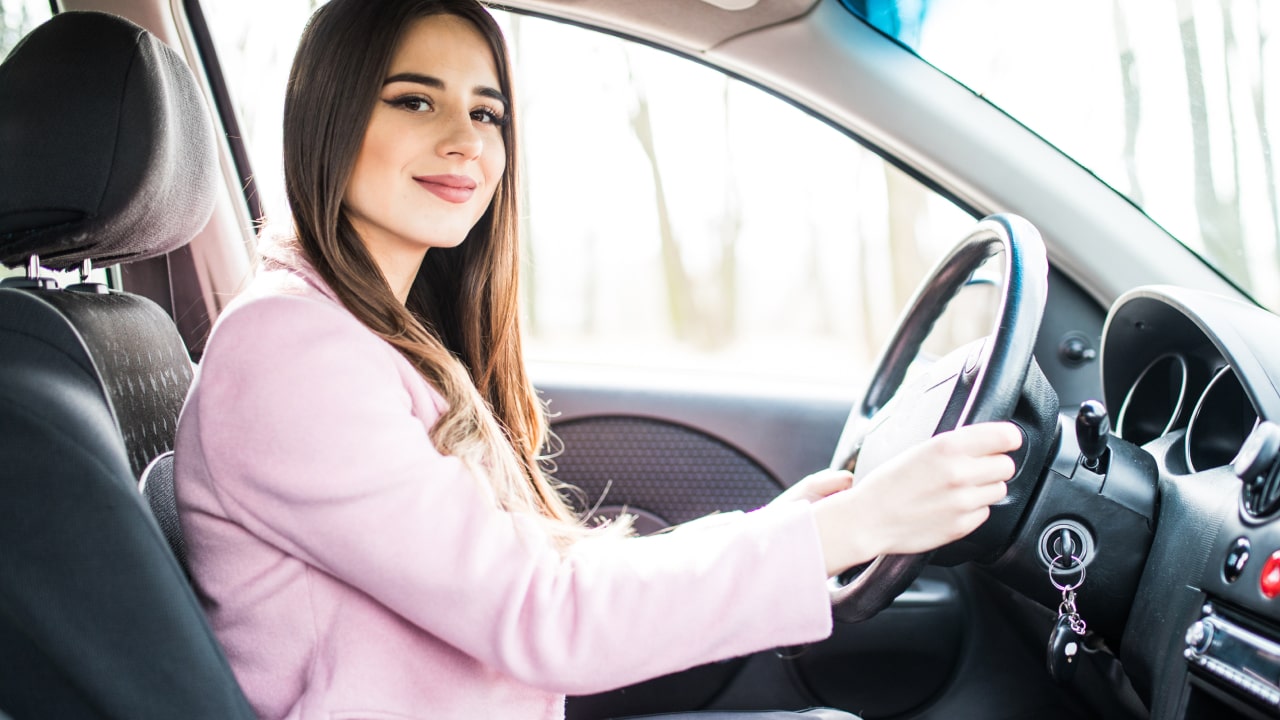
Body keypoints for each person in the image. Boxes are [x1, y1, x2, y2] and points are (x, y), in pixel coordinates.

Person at [172, 1, 1022, 718]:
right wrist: (852, 527)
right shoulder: (287, 351)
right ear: (331, 118)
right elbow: (546, 616)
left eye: (487, 112)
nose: (467, 141)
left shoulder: (371, 334)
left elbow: (538, 573)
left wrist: (784, 529)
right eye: (414, 102)